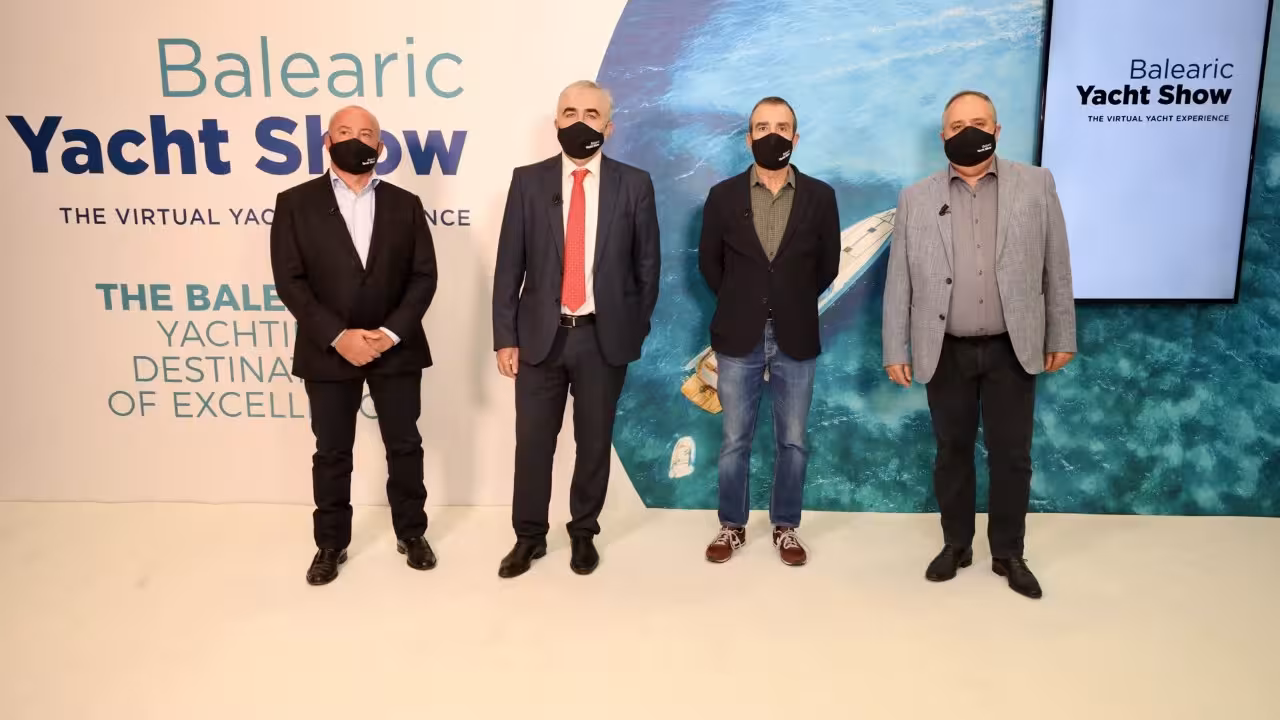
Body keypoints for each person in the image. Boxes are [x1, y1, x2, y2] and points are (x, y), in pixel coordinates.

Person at [882, 90, 1077, 599]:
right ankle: (957, 544)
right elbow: (899, 281)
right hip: (944, 347)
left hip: (1014, 346)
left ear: (996, 130)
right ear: (943, 135)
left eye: (979, 122)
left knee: (1012, 456)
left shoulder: (1036, 184)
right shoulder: (915, 198)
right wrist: (895, 348)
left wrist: (1062, 333)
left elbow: (1056, 264)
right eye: (957, 125)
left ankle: (1008, 553)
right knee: (952, 452)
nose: (969, 131)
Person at [491, 80, 661, 578]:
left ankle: (583, 532)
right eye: (570, 113)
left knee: (594, 443)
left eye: (591, 114)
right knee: (533, 444)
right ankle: (529, 537)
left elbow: (647, 268)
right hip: (539, 339)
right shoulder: (528, 181)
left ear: (609, 126)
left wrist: (633, 330)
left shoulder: (634, 184)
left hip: (602, 341)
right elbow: (509, 265)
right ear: (556, 123)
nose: (580, 122)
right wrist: (505, 337)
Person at [270, 105, 439, 586]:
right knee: (331, 451)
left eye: (366, 134)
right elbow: (290, 281)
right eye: (344, 132)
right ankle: (330, 544)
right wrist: (338, 336)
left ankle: (412, 533)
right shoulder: (295, 202)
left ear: (380, 147)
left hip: (396, 349)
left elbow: (423, 277)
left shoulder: (406, 204)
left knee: (404, 445)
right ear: (327, 142)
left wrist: (389, 334)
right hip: (328, 350)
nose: (355, 140)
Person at [697, 97, 840, 566]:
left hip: (796, 335)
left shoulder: (821, 197)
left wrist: (786, 300)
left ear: (795, 138)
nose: (772, 135)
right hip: (738, 335)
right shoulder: (723, 196)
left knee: (793, 440)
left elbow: (828, 266)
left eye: (781, 127)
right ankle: (732, 526)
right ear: (749, 138)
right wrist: (747, 301)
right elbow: (710, 265)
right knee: (734, 441)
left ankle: (786, 527)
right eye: (762, 127)